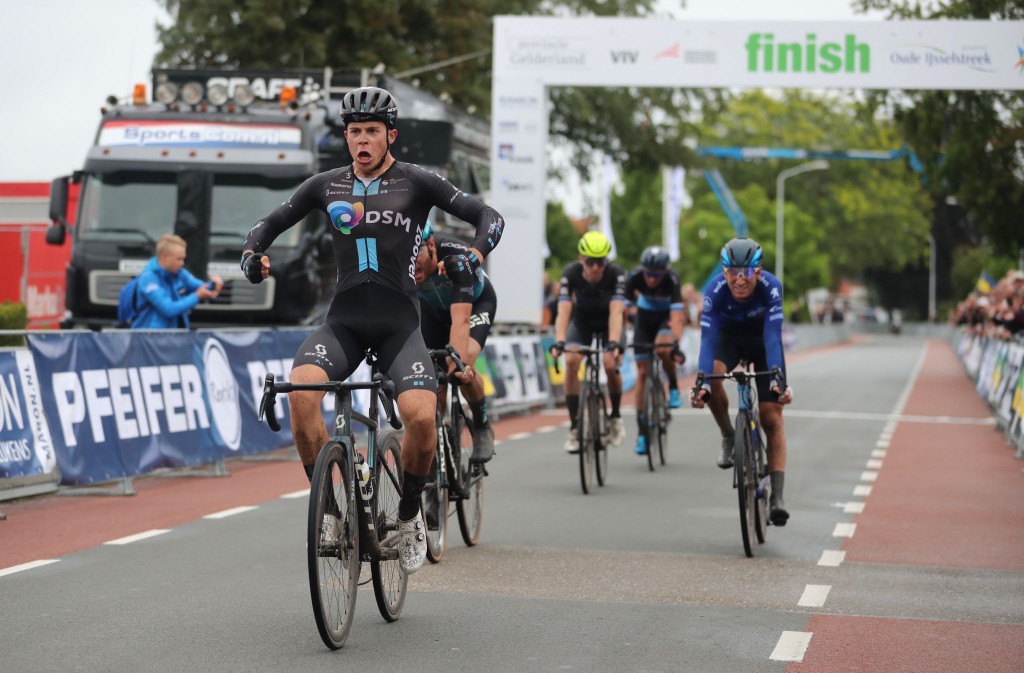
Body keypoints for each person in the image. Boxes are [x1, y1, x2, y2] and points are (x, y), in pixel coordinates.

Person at [240, 86, 504, 574]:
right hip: (343, 322)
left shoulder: (419, 182)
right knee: (301, 397)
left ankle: (406, 518)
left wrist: (477, 252)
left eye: (371, 132)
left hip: (399, 326)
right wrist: (252, 256)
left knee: (422, 418)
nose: (361, 140)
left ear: (390, 136)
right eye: (354, 132)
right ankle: (333, 515)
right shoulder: (326, 185)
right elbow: (270, 222)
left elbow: (488, 216)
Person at [689, 236, 794, 525]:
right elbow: (708, 341)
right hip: (729, 341)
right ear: (724, 272)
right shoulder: (714, 291)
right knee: (712, 379)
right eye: (732, 272)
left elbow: (773, 336)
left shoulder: (772, 287)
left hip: (762, 344)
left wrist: (777, 380)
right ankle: (728, 434)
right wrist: (703, 384)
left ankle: (777, 498)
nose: (739, 279)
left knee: (772, 418)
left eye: (746, 272)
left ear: (758, 271)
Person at [414, 220, 497, 465]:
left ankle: (481, 425)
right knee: (431, 382)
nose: (411, 261)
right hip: (435, 312)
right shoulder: (402, 265)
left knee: (461, 366)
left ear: (431, 245)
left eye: (416, 251)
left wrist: (456, 364)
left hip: (475, 306)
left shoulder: (455, 256)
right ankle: (435, 454)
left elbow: (460, 322)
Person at [549, 231, 626, 453]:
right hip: (582, 323)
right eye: (590, 262)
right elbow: (564, 311)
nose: (595, 268)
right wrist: (560, 341)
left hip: (608, 324)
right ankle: (574, 427)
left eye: (600, 262)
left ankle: (616, 416)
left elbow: (617, 312)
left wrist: (612, 343)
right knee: (571, 361)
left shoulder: (616, 274)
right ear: (582, 259)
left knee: (610, 365)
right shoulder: (571, 273)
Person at [624, 246, 686, 455]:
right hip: (643, 319)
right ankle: (642, 432)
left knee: (662, 348)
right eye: (648, 274)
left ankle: (674, 387)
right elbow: (620, 309)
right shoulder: (634, 277)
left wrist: (675, 343)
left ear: (665, 272)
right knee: (642, 373)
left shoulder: (672, 280)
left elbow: (677, 317)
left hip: (664, 319)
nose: (651, 279)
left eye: (656, 275)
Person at [131, 233, 222, 329]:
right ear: (165, 256)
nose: (182, 263)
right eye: (179, 259)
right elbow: (169, 309)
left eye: (183, 259)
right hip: (149, 339)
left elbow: (202, 286)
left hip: (174, 336)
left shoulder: (179, 273)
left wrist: (216, 283)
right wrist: (197, 296)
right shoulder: (148, 279)